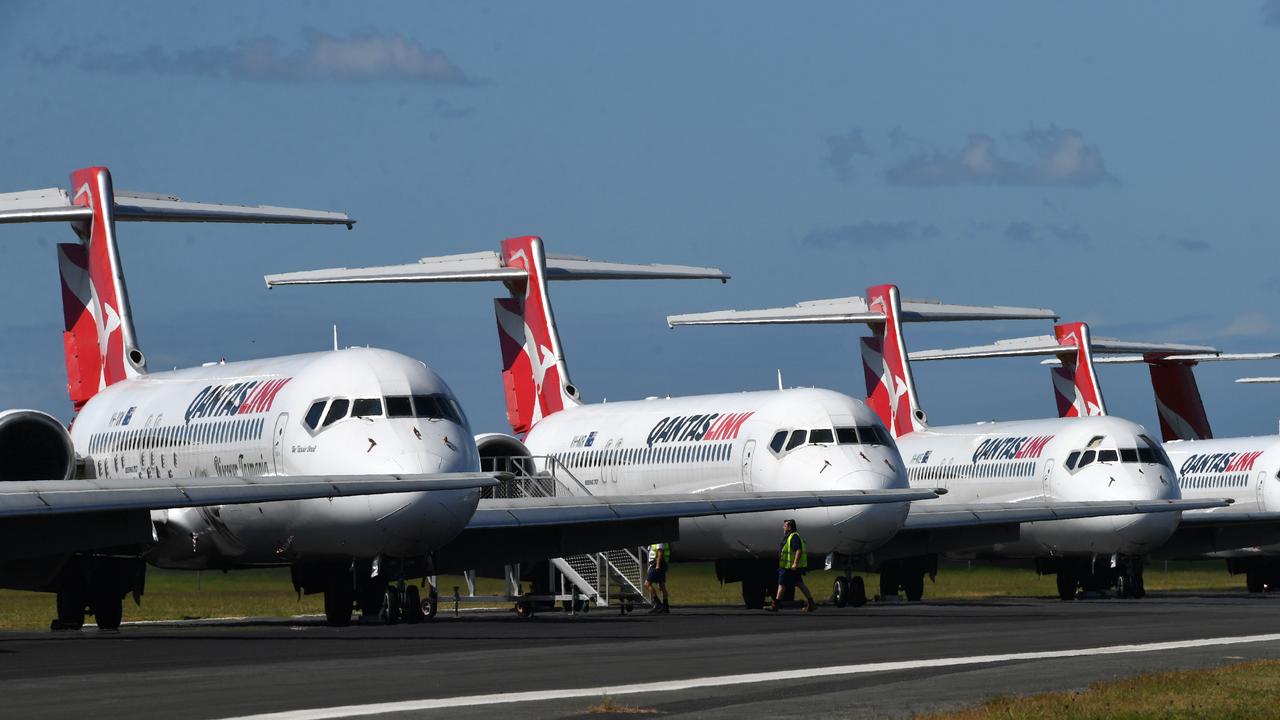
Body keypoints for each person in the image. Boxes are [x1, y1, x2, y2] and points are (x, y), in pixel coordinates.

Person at [768, 519, 816, 612]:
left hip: (789, 567)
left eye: (785, 526)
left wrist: (795, 563)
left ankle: (775, 605)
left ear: (789, 527)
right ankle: (811, 603)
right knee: (799, 583)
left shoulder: (793, 537)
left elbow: (798, 550)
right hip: (788, 566)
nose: (783, 527)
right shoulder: (790, 536)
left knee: (782, 584)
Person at [645, 542, 671, 614]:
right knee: (661, 585)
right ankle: (665, 606)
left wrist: (657, 565)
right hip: (659, 564)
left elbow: (660, 552)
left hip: (656, 563)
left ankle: (657, 604)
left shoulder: (658, 540)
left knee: (647, 584)